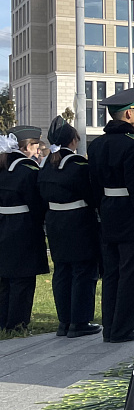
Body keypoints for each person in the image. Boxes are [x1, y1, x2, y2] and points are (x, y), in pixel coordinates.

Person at [88, 87, 134, 343]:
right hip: (128, 214)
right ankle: (124, 328)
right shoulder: (133, 144)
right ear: (127, 115)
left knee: (111, 273)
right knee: (131, 272)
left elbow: (92, 182)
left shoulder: (98, 143)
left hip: (107, 211)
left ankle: (110, 328)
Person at [38, 117, 102, 338]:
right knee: (83, 271)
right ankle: (79, 321)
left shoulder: (46, 165)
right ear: (73, 140)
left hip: (55, 222)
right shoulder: (78, 165)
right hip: (78, 221)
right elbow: (92, 195)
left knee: (62, 271)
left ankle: (64, 322)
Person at [0, 126, 49, 332]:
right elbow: (37, 204)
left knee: (4, 278)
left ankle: (3, 321)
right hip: (22, 227)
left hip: (2, 224)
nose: (37, 152)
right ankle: (18, 323)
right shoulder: (28, 170)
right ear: (26, 147)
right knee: (22, 278)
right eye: (36, 147)